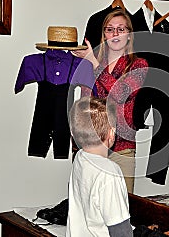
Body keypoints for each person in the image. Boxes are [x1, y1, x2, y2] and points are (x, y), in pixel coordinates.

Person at [72, 9, 148, 193]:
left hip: (122, 148)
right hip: (90, 147)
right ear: (104, 34)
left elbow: (121, 93)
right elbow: (85, 104)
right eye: (109, 29)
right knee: (89, 204)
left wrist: (94, 63)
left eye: (121, 29)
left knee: (123, 205)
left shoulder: (139, 65)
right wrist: (76, 144)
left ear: (129, 35)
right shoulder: (90, 62)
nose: (115, 34)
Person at [66, 96, 133, 237]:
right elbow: (120, 229)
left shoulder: (80, 158)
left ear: (73, 133)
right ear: (112, 133)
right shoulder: (109, 172)